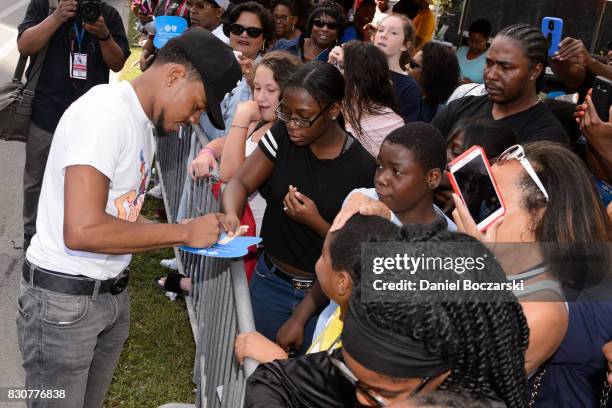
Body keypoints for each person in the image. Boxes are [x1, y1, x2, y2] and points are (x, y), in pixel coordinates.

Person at [16, 29, 241, 408]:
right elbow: (82, 230)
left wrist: (190, 233)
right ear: (173, 76)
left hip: (104, 297)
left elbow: (120, 217)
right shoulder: (106, 115)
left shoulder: (142, 123)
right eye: (199, 105)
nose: (194, 118)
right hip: (62, 306)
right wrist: (184, 232)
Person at [244, 223, 530, 408]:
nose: (359, 397)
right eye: (354, 378)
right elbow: (274, 380)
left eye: (379, 394)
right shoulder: (374, 366)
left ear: (443, 377)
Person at [221, 61, 376, 354]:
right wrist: (230, 214)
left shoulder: (363, 168)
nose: (292, 124)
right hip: (270, 282)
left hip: (323, 299)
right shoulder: (282, 136)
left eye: (303, 117)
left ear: (332, 110)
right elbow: (239, 183)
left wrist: (314, 221)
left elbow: (352, 253)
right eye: (286, 113)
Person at [453, 142, 612, 402]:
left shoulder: (540, 312)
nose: (475, 211)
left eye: (492, 201)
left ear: (538, 217)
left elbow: (454, 386)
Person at [17, 0, 130, 251]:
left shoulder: (106, 13)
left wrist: (104, 35)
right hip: (46, 113)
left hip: (90, 121)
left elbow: (118, 63)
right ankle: (31, 234)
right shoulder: (44, 6)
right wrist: (56, 17)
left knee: (84, 181)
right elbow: (25, 46)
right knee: (36, 179)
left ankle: (71, 232)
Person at [234, 214, 400, 363]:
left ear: (342, 283)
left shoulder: (358, 351)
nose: (317, 263)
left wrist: (278, 360)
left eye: (322, 254)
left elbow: (326, 394)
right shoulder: (342, 313)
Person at [431, 23, 569, 145]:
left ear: (535, 71)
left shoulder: (547, 136)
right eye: (489, 63)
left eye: (506, 67)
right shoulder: (460, 107)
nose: (491, 75)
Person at [332, 123, 456, 232]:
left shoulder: (452, 237)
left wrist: (389, 218)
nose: (381, 179)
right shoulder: (362, 200)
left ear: (432, 178)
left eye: (396, 171)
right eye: (379, 166)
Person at [200, 1, 275, 139]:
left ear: (264, 39)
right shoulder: (210, 63)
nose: (244, 35)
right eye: (237, 29)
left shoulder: (270, 74)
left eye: (253, 32)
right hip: (203, 154)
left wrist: (254, 83)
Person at [328, 41, 404, 157]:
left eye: (343, 67)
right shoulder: (329, 105)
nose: (337, 73)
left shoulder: (391, 124)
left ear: (363, 77)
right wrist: (327, 67)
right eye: (336, 65)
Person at [434, 118, 517, 214]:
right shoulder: (426, 185)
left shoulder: (487, 214)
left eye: (455, 151)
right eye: (446, 145)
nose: (445, 154)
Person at [373, 14, 422, 122]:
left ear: (405, 45)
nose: (383, 35)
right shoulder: (358, 70)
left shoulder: (409, 89)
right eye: (380, 30)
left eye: (393, 33)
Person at [272, 1, 344, 62]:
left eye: (332, 26)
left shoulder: (341, 59)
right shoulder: (283, 46)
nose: (325, 29)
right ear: (311, 25)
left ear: (338, 31)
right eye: (319, 23)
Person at [406, 41, 460, 122]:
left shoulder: (427, 117)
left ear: (429, 74)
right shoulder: (413, 96)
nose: (406, 66)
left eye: (412, 64)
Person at [456, 19, 491, 84]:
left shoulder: (491, 59)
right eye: (470, 41)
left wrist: (472, 85)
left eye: (478, 42)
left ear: (487, 39)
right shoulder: (461, 51)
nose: (473, 45)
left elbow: (491, 87)